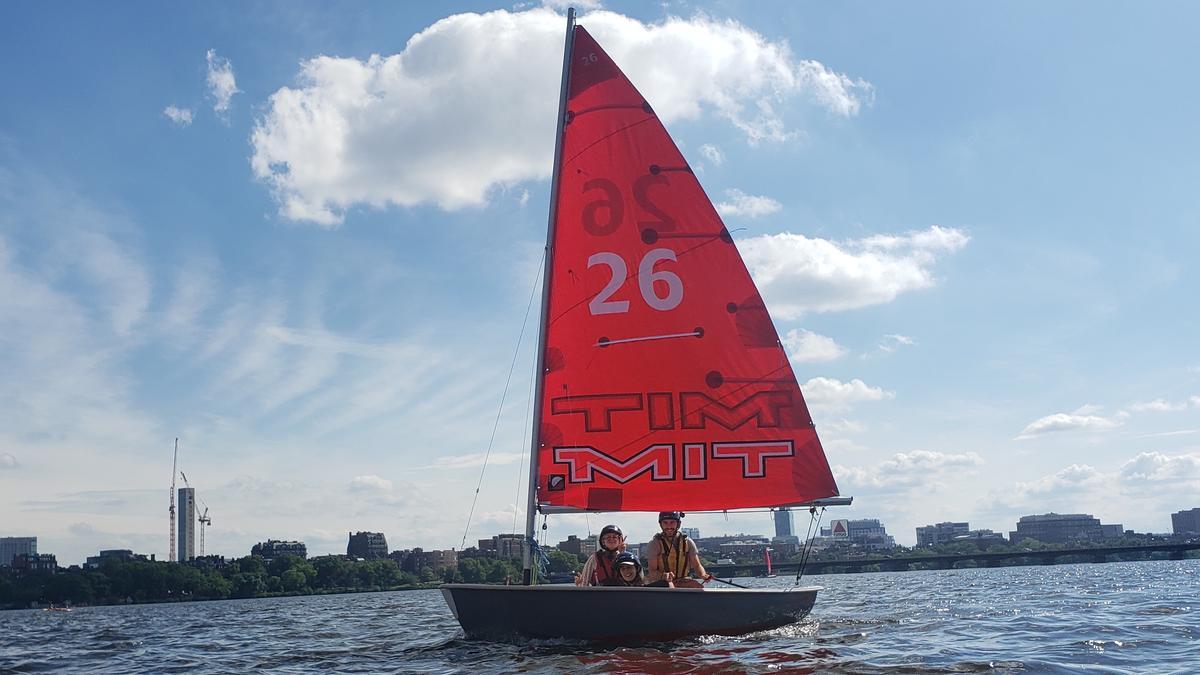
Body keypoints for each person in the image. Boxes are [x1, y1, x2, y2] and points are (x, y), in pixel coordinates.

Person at [645, 511, 711, 588]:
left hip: (683, 580)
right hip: (663, 583)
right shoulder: (654, 544)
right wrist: (663, 575)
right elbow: (652, 571)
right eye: (665, 523)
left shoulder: (688, 542)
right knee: (670, 586)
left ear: (678, 524)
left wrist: (703, 575)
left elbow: (697, 565)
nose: (669, 526)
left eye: (672, 522)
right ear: (661, 524)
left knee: (698, 587)